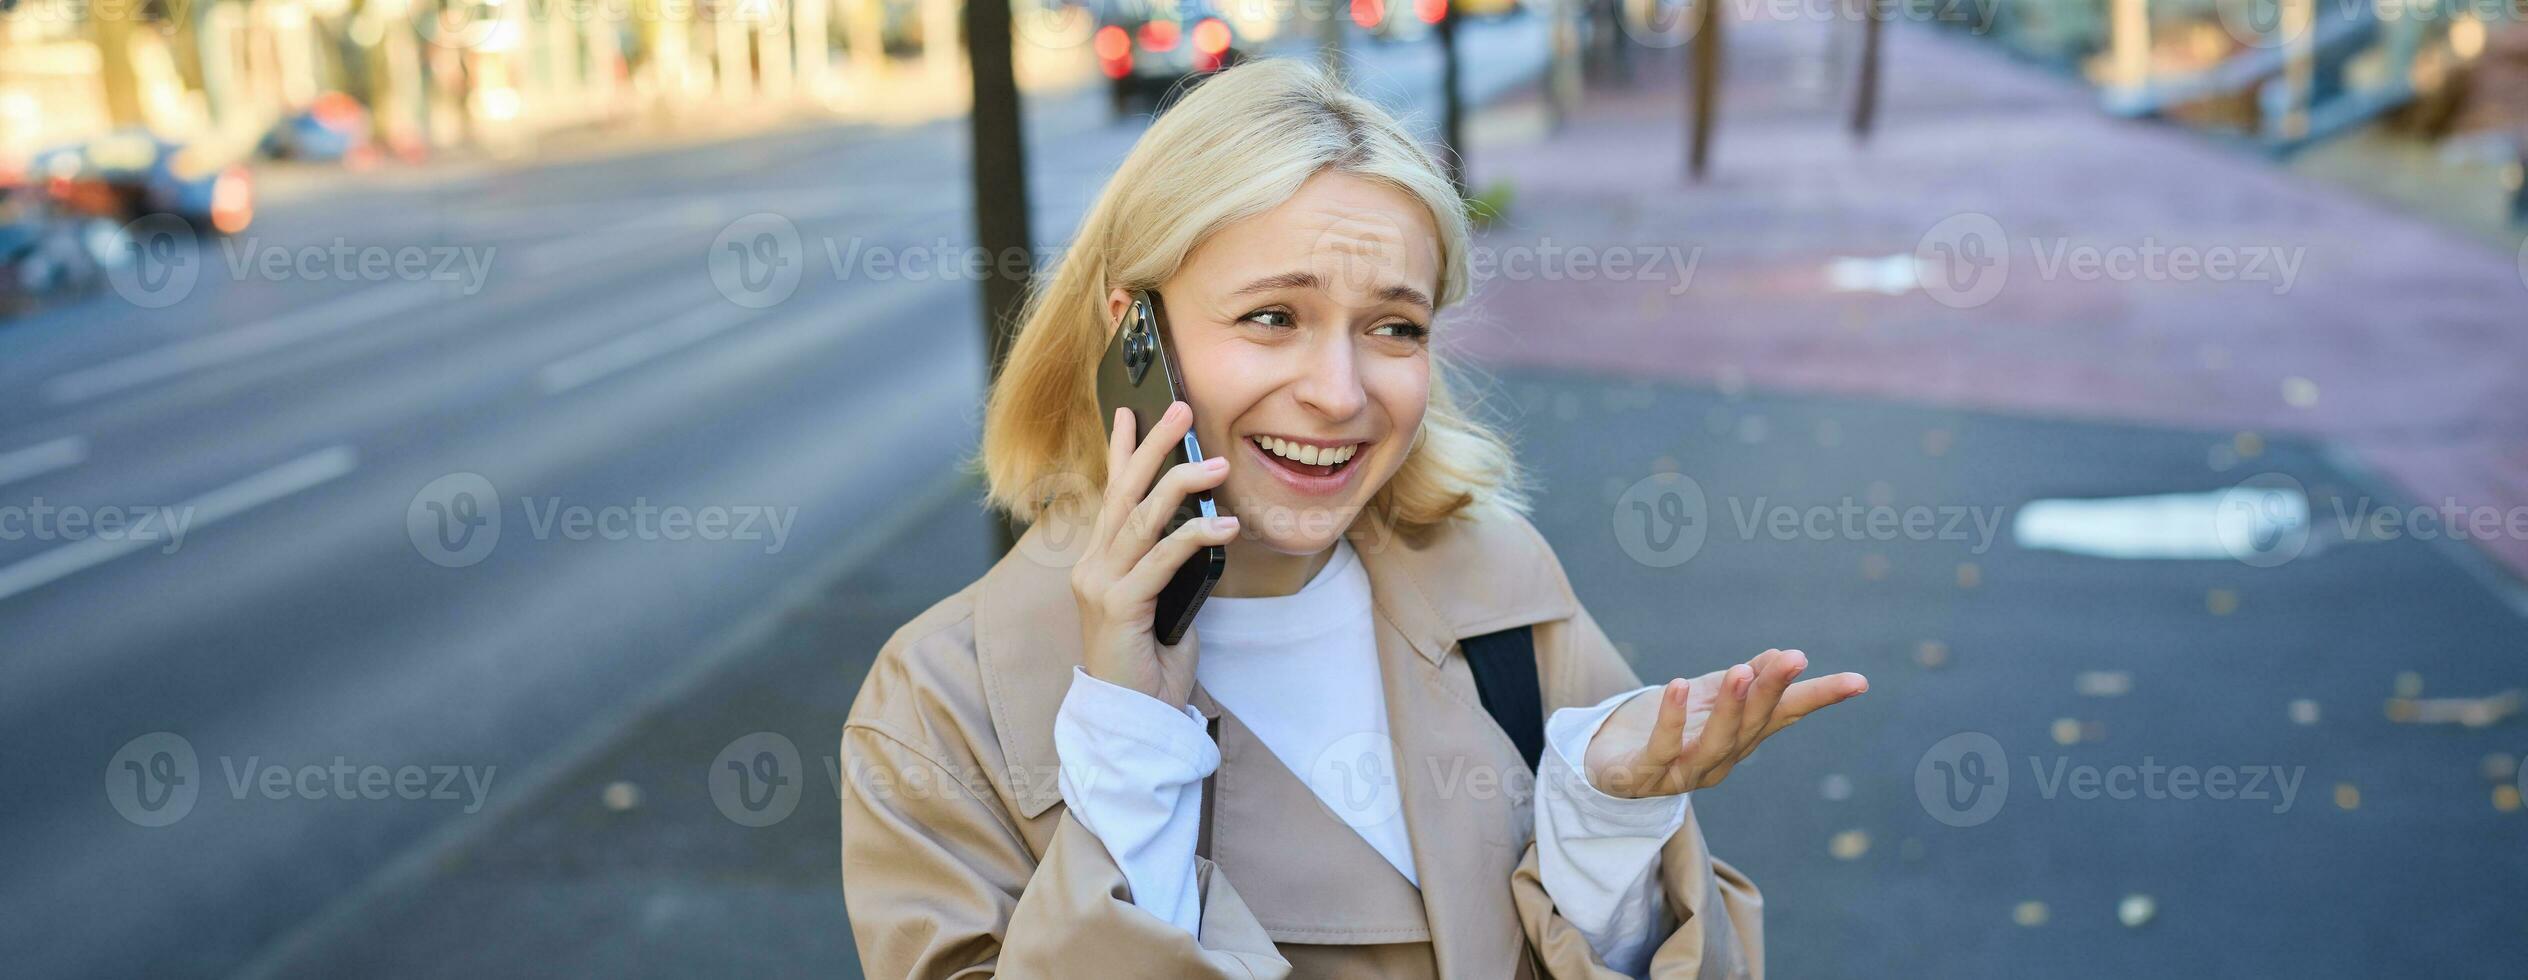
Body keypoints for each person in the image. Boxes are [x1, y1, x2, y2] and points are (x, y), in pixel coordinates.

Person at [839, 57, 1868, 978]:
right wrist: (1125, 743)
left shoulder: (1499, 587)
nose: (1338, 392)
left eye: (1392, 326)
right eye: (1271, 316)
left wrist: (1601, 825)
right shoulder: (940, 708)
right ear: (1131, 332)